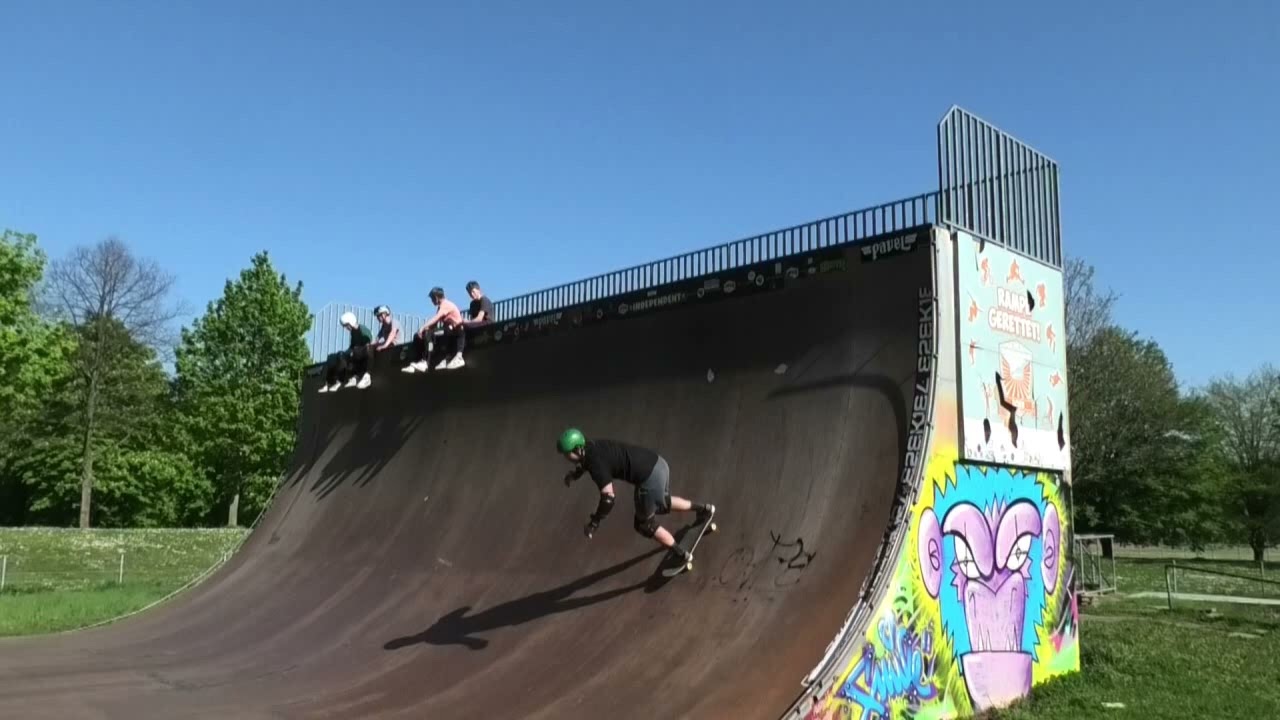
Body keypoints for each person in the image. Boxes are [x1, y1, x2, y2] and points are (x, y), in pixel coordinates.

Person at [556, 428, 715, 562]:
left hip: (648, 479)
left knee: (644, 524)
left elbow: (608, 498)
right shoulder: (591, 445)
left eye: (567, 454)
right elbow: (585, 462)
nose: (565, 458)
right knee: (661, 502)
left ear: (577, 449)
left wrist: (594, 523)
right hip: (658, 464)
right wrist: (575, 475)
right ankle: (704, 509)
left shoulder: (596, 464)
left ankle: (681, 555)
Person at [402, 287, 466, 373]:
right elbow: (434, 324)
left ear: (436, 297)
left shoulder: (446, 304)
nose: (432, 301)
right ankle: (417, 361)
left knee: (428, 333)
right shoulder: (440, 307)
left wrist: (423, 327)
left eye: (432, 299)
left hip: (455, 330)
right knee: (419, 335)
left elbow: (436, 318)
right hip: (448, 330)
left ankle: (425, 362)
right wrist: (422, 331)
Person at [320, 311, 374, 392]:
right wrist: (344, 353)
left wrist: (354, 350)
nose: (346, 328)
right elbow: (352, 346)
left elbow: (369, 343)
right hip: (355, 352)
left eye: (346, 326)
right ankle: (330, 383)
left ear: (351, 322)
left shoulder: (362, 329)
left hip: (362, 352)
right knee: (335, 356)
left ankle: (364, 377)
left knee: (354, 352)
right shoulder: (353, 332)